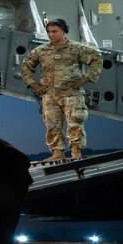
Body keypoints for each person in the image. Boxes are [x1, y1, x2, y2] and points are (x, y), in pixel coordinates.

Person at [19, 19, 102, 161]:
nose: (51, 35)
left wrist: (86, 78)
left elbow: (97, 59)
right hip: (49, 95)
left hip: (71, 93)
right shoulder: (41, 51)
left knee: (75, 122)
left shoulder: (76, 48)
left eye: (54, 31)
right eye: (49, 32)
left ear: (64, 31)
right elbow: (26, 66)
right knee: (52, 124)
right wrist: (33, 84)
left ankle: (76, 152)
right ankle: (57, 153)